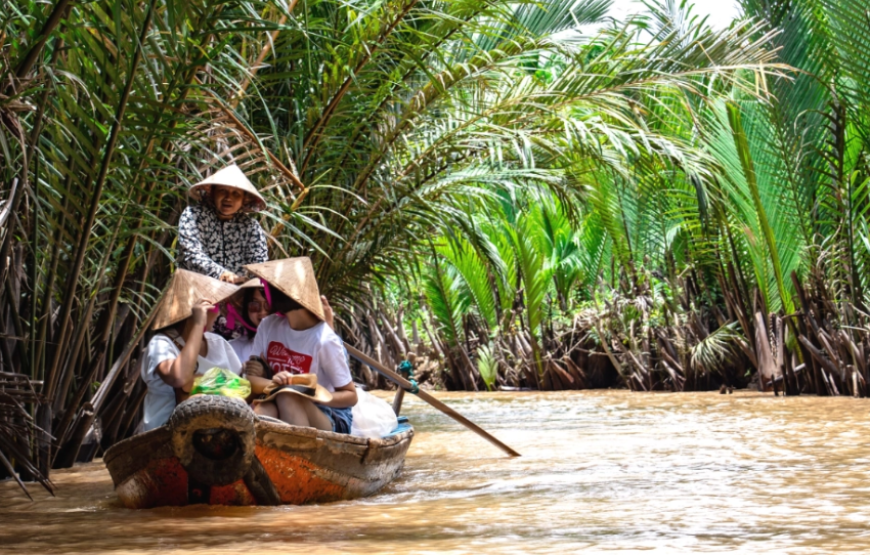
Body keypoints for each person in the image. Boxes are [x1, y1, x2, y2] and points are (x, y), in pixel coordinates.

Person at [243, 257, 357, 433]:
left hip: (330, 415)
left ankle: (300, 456)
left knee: (287, 396)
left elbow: (351, 396)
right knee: (266, 408)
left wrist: (312, 393)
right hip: (279, 399)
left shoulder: (324, 340)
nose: (266, 293)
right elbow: (251, 378)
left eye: (269, 288)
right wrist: (276, 383)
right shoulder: (268, 326)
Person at [140, 270, 242, 432]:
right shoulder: (161, 343)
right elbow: (179, 377)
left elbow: (241, 386)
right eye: (215, 306)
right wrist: (197, 324)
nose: (219, 313)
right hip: (166, 434)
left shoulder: (218, 343)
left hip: (220, 433)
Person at [177, 163, 268, 285]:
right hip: (196, 291)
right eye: (222, 191)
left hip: (236, 295)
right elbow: (190, 254)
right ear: (212, 193)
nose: (228, 198)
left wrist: (249, 285)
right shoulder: (194, 215)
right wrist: (222, 274)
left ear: (244, 200)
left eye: (236, 193)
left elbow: (259, 267)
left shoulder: (251, 227)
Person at [227, 279, 272, 363]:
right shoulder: (231, 349)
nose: (262, 312)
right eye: (254, 305)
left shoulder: (299, 345)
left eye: (269, 305)